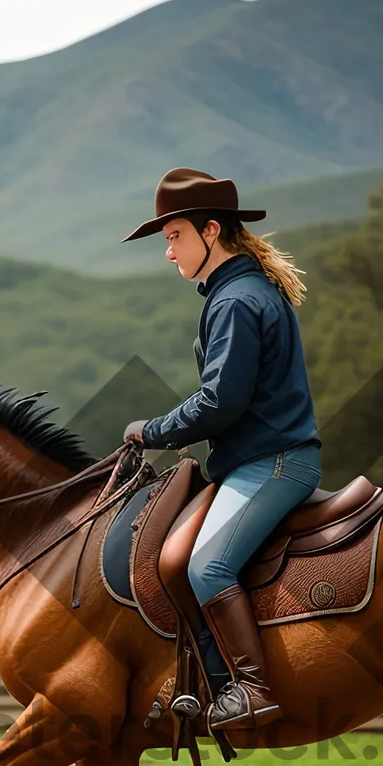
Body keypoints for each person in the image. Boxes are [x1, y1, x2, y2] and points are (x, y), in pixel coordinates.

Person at [121, 167, 322, 731]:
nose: (168, 252)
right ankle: (208, 684)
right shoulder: (242, 291)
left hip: (273, 463)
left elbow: (219, 404)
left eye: (175, 236)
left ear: (212, 232)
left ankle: (252, 691)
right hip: (253, 463)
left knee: (207, 566)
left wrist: (153, 429)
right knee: (174, 559)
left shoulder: (236, 300)